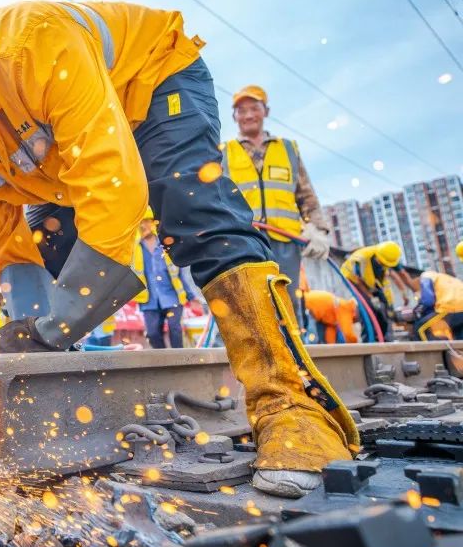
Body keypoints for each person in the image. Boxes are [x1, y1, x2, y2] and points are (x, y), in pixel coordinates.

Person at [0, 0, 358, 498]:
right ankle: (61, 399)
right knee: (51, 239)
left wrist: (56, 327)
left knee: (192, 210)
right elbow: (7, 241)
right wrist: (26, 348)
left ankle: (294, 408)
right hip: (73, 148)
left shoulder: (32, 43)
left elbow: (115, 188)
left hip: (152, 84)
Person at [223, 85, 332, 308]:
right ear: (234, 117)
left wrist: (318, 230)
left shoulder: (288, 149)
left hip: (285, 244)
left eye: (254, 108)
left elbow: (307, 197)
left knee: (285, 304)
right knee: (249, 306)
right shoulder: (223, 152)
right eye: (241, 111)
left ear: (266, 111)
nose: (249, 115)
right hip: (243, 242)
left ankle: (289, 343)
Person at [132, 207, 200, 349]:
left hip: (172, 297)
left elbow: (180, 273)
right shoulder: (134, 248)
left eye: (147, 222)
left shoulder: (165, 244)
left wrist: (191, 296)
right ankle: (162, 362)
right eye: (141, 222)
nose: (144, 226)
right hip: (149, 300)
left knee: (175, 329)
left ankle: (180, 362)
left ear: (154, 223)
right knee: (152, 334)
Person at [340, 241, 402, 342]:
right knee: (367, 307)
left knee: (383, 306)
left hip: (369, 282)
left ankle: (384, 337)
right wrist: (371, 298)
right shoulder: (361, 258)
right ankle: (369, 340)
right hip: (351, 279)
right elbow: (358, 281)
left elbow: (384, 283)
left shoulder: (385, 258)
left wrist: (389, 305)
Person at [396, 270, 463, 341]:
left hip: (449, 308)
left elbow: (428, 301)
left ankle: (428, 352)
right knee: (458, 338)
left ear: (415, 279)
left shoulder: (426, 276)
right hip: (458, 309)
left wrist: (417, 311)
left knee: (420, 328)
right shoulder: (445, 278)